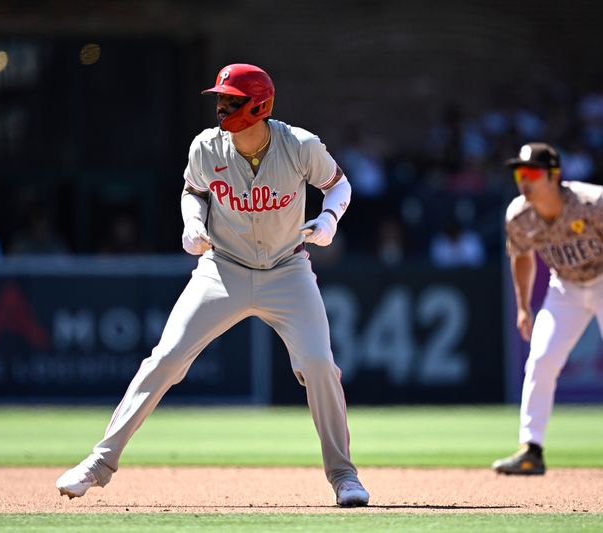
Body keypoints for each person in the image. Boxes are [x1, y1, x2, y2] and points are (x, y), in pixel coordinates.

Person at [56, 63, 369, 507]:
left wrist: (330, 218)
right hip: (223, 268)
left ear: (259, 105)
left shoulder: (299, 144)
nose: (222, 107)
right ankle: (99, 463)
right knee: (165, 358)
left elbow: (339, 186)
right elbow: (193, 192)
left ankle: (343, 476)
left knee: (319, 364)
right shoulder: (206, 146)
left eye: (232, 100)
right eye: (220, 99)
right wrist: (191, 222)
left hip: (287, 269)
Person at [492, 142, 603, 476]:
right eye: (519, 173)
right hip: (566, 288)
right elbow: (521, 256)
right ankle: (531, 449)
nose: (523, 180)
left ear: (553, 175)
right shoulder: (519, 215)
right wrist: (523, 306)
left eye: (531, 173)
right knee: (541, 360)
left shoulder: (592, 201)